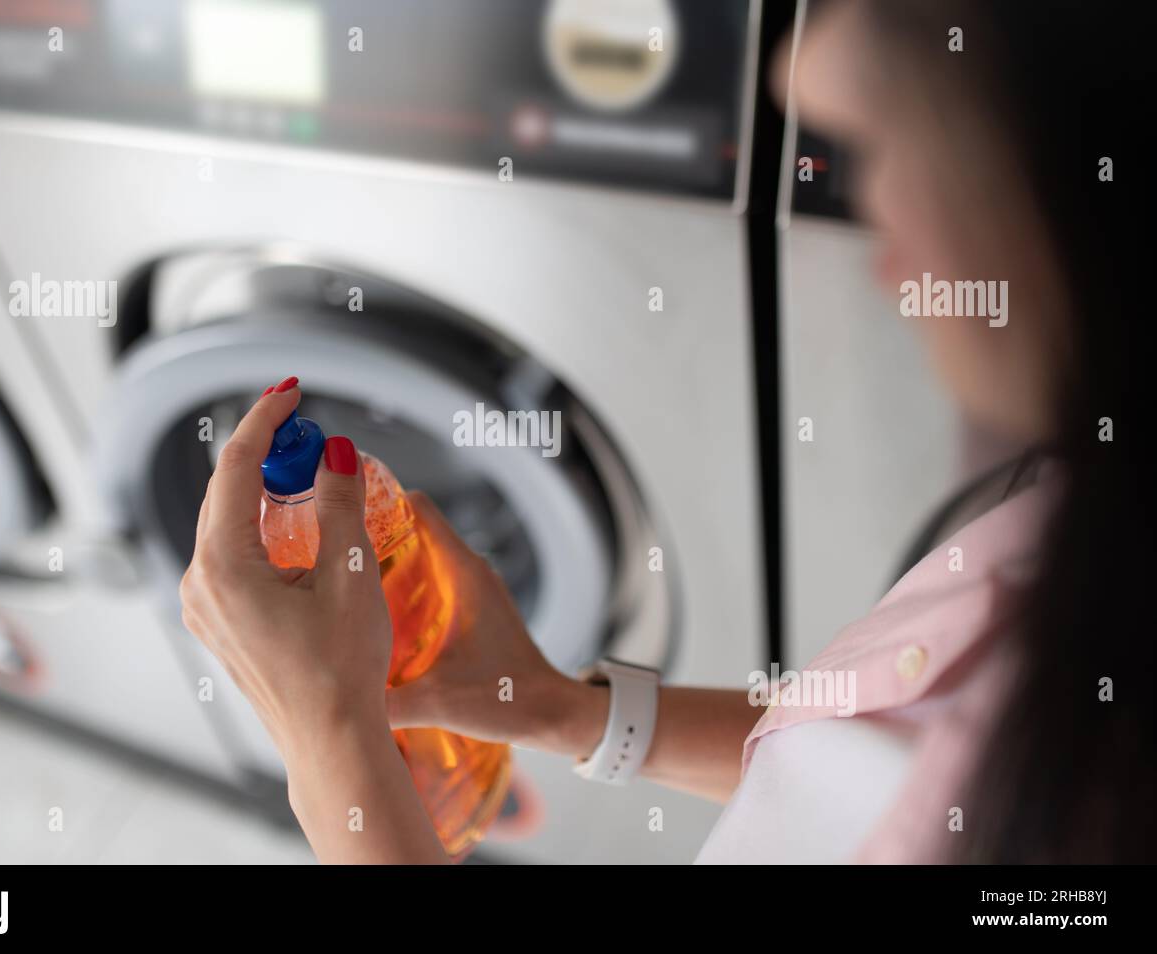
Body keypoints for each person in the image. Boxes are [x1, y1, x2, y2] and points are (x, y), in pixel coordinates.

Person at [179, 0, 1148, 864]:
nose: (806, 73)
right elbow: (893, 770)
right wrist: (565, 709)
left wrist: (332, 754)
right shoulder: (1086, 528)